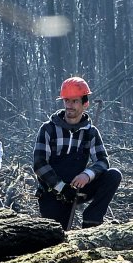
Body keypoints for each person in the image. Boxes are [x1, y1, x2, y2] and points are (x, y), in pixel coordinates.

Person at [32, 76, 121, 228]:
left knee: (113, 175)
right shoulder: (48, 129)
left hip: (78, 188)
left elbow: (103, 161)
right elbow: (39, 164)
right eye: (67, 101)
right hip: (51, 192)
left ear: (85, 103)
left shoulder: (90, 132)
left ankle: (92, 221)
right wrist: (61, 188)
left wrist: (87, 174)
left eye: (74, 101)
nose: (69, 106)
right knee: (57, 235)